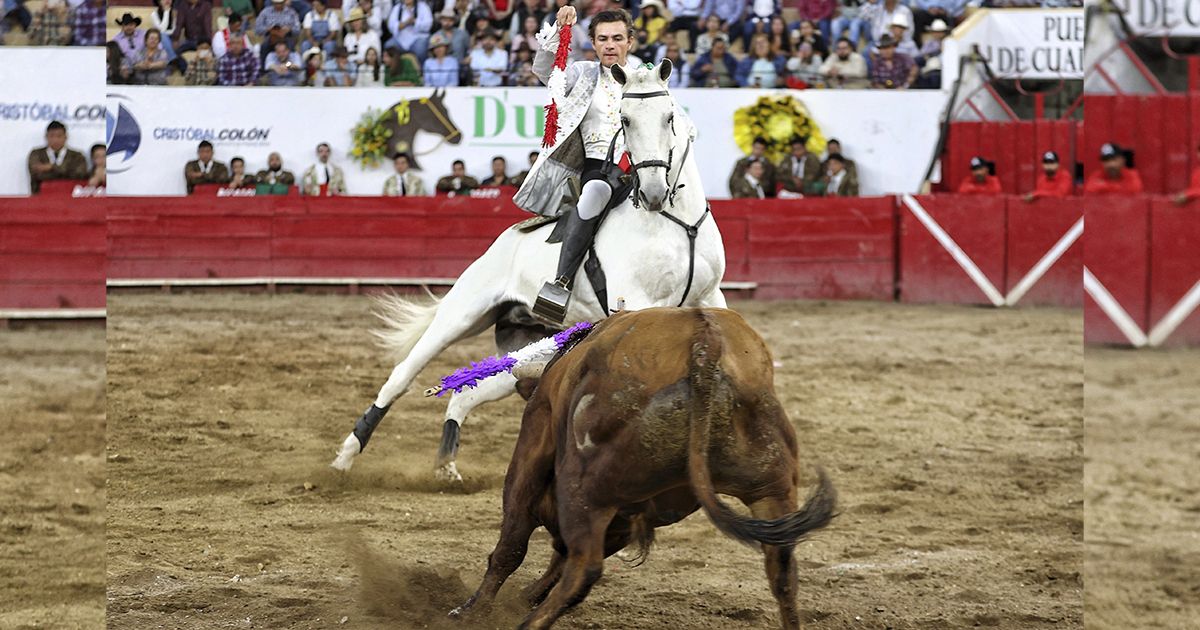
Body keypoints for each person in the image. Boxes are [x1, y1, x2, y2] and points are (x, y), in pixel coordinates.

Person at [518, 6, 695, 322]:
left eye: (617, 38)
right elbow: (544, 70)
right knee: (592, 195)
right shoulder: (582, 74)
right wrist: (559, 29)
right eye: (602, 39)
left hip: (643, 169)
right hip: (599, 169)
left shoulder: (647, 76)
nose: (610, 45)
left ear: (630, 41)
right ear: (593, 43)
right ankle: (561, 282)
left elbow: (679, 121)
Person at [27, 121, 88, 194]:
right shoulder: (36, 154)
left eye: (59, 136)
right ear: (46, 137)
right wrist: (65, 171)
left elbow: (80, 175)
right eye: (52, 136)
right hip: (41, 197)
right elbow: (37, 175)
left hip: (70, 197)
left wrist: (51, 167)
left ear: (66, 137)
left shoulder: (77, 156)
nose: (55, 140)